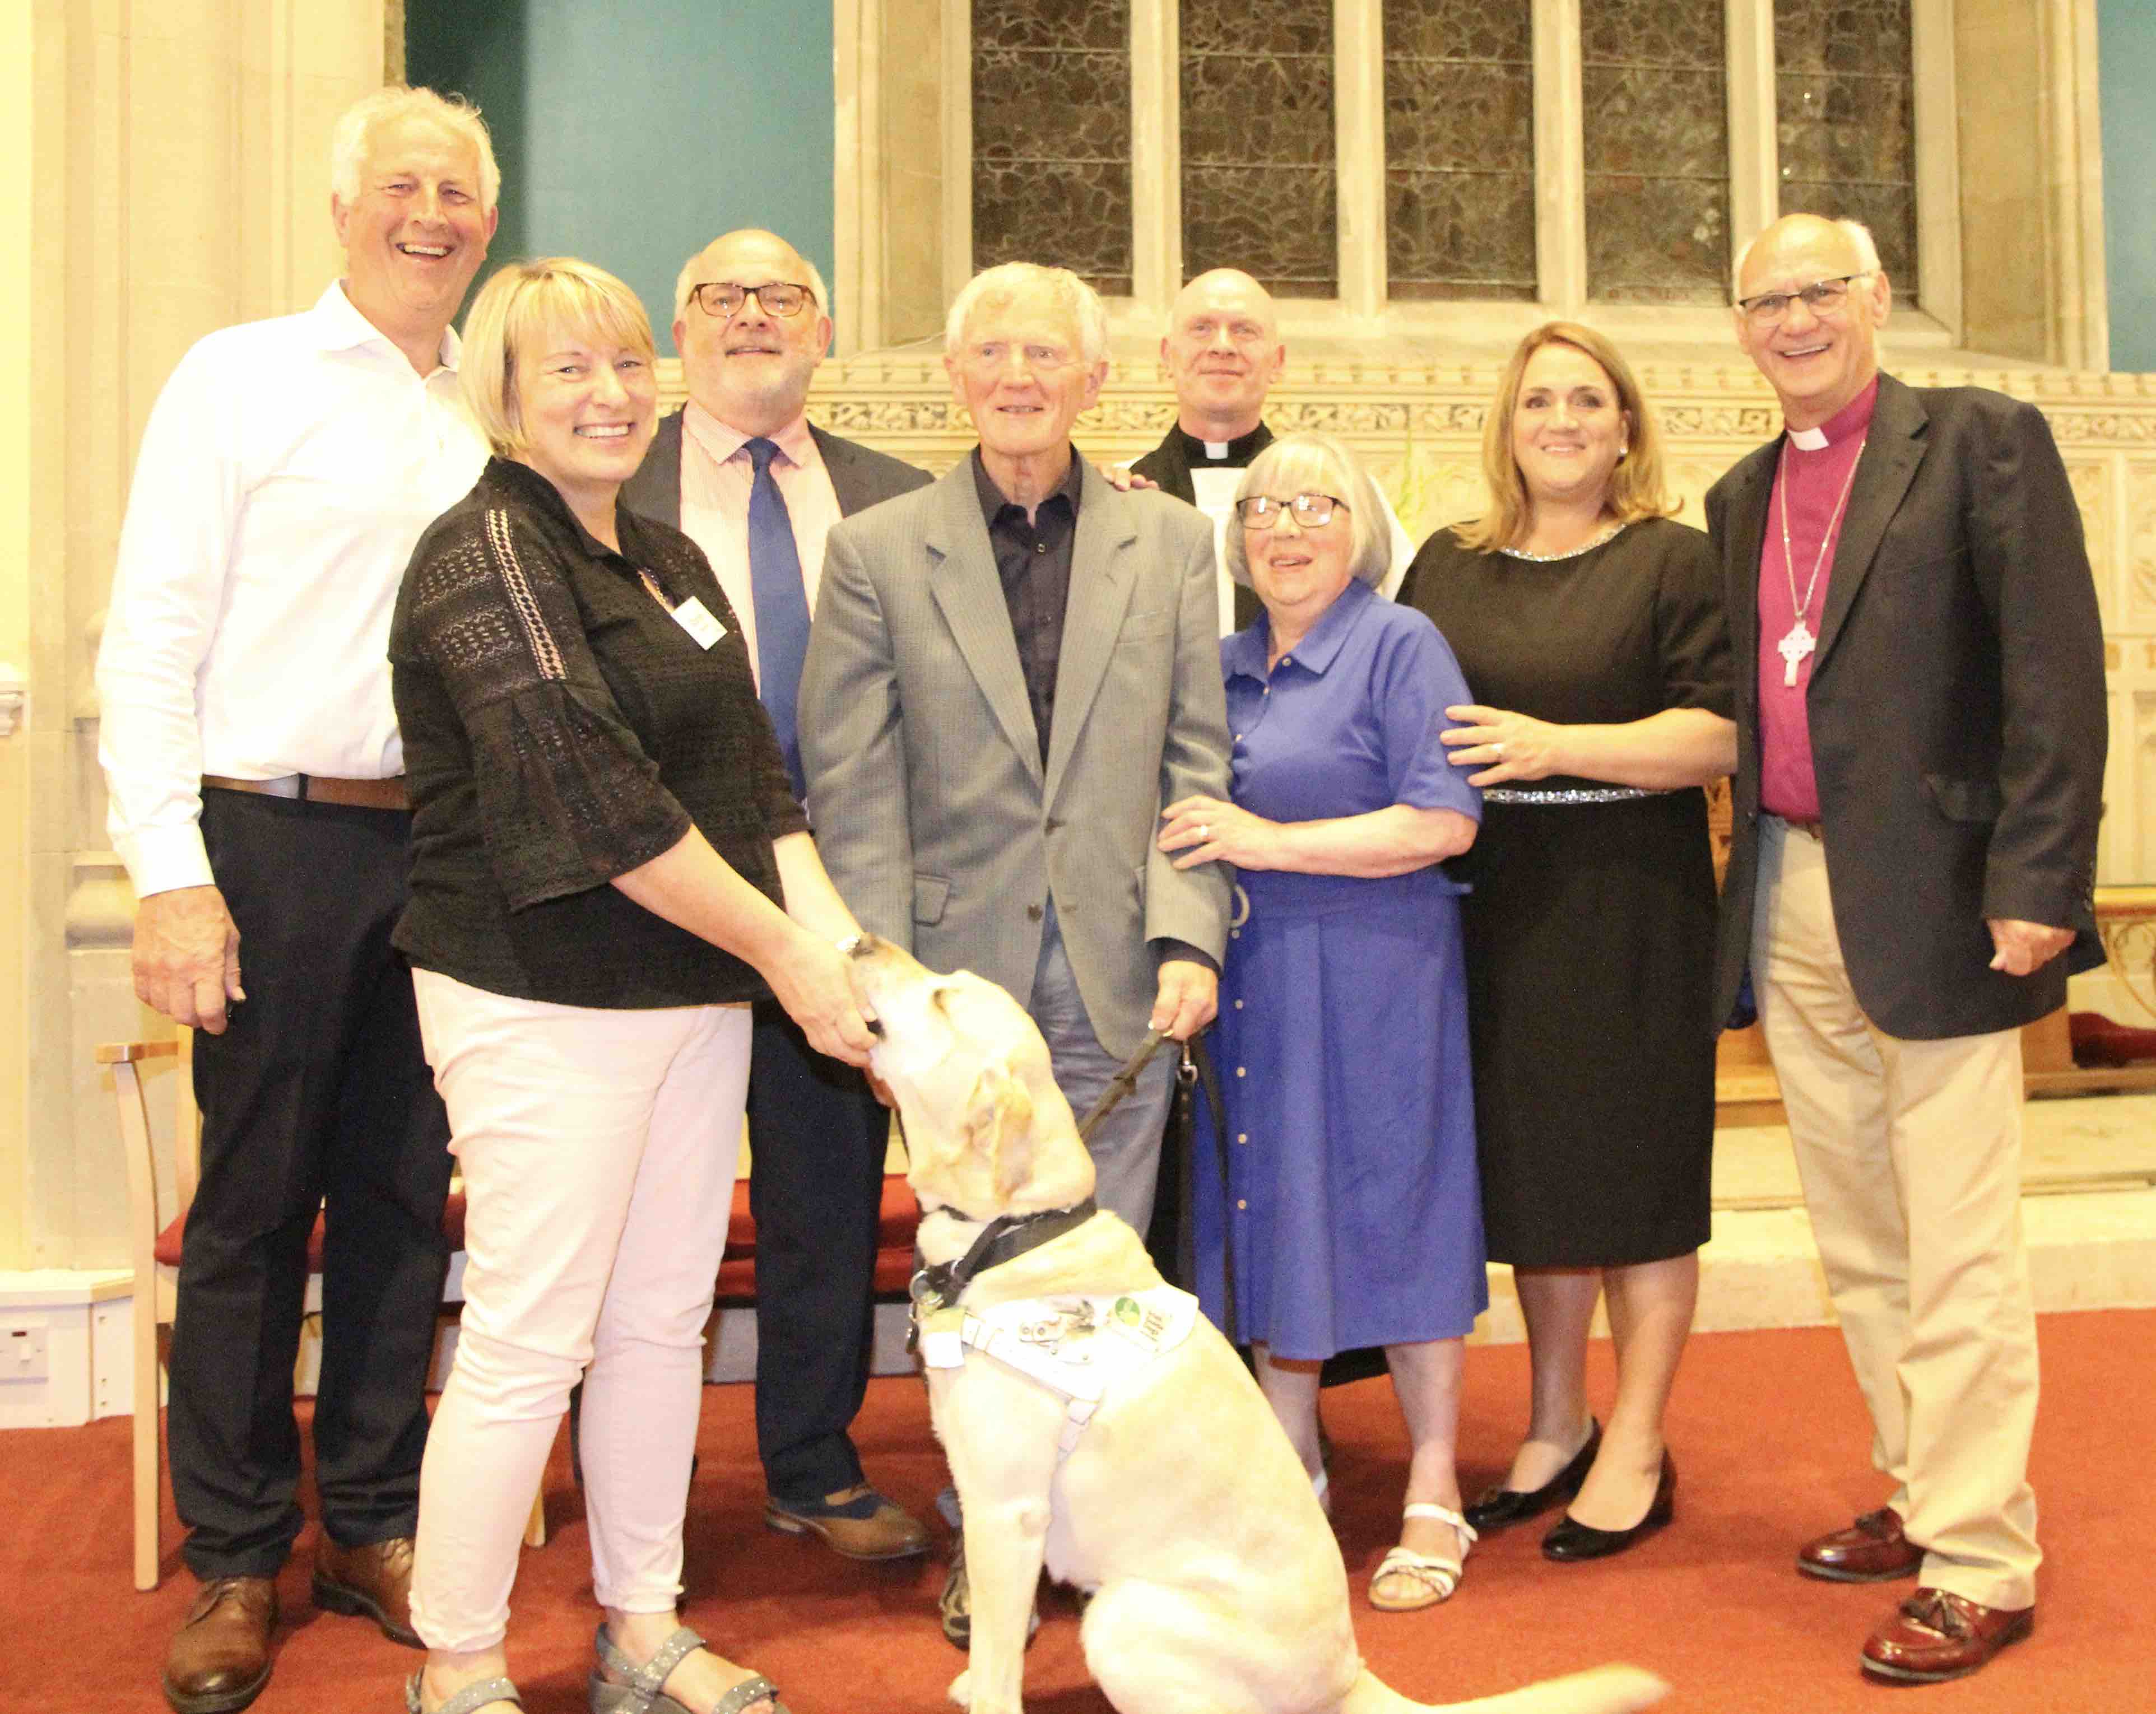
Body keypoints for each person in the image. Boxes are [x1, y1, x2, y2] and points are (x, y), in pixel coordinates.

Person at [389, 257, 878, 1714]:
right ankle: (460, 1660)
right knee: (532, 1332)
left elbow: (753, 783)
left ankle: (641, 1624)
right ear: (506, 396)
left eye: (620, 366)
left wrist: (842, 949)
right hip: (538, 990)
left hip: (690, 989)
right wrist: (789, 957)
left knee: (666, 1319)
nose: (606, 395)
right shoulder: (481, 556)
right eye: (566, 371)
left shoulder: (667, 560)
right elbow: (592, 800)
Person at [95, 86, 499, 1714]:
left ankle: (375, 1524)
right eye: (400, 186)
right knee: (254, 1217)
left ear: (486, 221)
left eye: (458, 192)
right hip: (263, 846)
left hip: (443, 858)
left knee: (408, 1204)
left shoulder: (491, 410)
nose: (430, 214)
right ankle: (239, 1557)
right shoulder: (237, 379)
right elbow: (149, 641)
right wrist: (170, 879)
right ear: (343, 211)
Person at [798, 260, 1233, 1645]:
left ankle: (1101, 1541)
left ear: (1097, 381)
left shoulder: (1165, 547)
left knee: (1096, 1293)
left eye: (1047, 354)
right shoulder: (876, 549)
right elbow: (852, 792)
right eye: (992, 352)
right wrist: (887, 1001)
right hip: (957, 1005)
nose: (1018, 377)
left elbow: (1192, 761)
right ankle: (990, 1549)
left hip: (1119, 973)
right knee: (977, 1300)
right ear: (955, 375)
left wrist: (1187, 933)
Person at [1708, 213, 2105, 1685]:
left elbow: (2054, 676)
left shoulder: (1984, 441)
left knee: (1958, 1244)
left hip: (1945, 898)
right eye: (1768, 300)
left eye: (1822, 291)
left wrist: (2039, 878)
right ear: (1741, 326)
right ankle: (1920, 1483)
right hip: (1794, 894)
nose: (1796, 319)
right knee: (1862, 1239)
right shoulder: (1742, 492)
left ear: (1875, 299)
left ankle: (1987, 1554)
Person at [621, 227, 932, 1563]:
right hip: (650, 901)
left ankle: (812, 1463)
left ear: (823, 332)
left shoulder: (900, 497)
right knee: (642, 1211)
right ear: (679, 332)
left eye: (783, 296)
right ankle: (632, 1495)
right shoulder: (594, 482)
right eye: (721, 295)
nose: (753, 316)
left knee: (822, 1203)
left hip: (834, 907)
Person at [1401, 324, 1735, 1565]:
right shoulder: (1448, 561)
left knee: (1636, 1181)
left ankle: (1638, 1442)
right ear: (1508, 423)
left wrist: (1555, 746)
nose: (1560, 419)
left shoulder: (1672, 561)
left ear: (1625, 426)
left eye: (1586, 399)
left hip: (1628, 899)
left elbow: (1718, 738)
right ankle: (1554, 1423)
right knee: (1536, 1178)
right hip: (1486, 903)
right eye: (1537, 398)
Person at [1166, 432, 1485, 1611]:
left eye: (1315, 507)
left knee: (1398, 1210)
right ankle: (1287, 1466)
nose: (1286, 530)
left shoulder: (1400, 644)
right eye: (1262, 510)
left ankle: (1434, 1488)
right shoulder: (1217, 661)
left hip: (1375, 975)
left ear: (1359, 529)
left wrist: (1264, 844)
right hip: (1247, 981)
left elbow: (1441, 822)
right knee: (1265, 1210)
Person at [1129, 268, 1415, 632]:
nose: (1222, 346)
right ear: (1167, 355)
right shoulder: (1120, 497)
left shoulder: (1346, 493)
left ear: (1277, 362)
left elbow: (1395, 625)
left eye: (1244, 330)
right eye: (1201, 328)